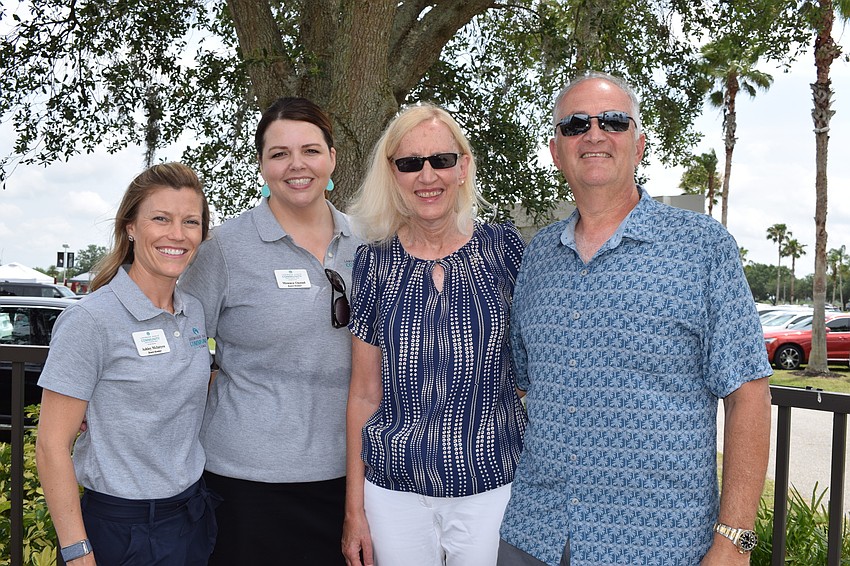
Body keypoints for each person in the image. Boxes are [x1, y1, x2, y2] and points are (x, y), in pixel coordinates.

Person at [497, 71, 773, 566]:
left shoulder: (702, 247)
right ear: (557, 151)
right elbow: (524, 381)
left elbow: (748, 393)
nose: (595, 134)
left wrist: (735, 540)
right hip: (534, 536)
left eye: (614, 122)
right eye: (576, 124)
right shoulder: (537, 255)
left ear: (639, 144)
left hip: (658, 544)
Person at [342, 103, 528, 566]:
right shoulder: (374, 262)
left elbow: (532, 366)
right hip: (393, 491)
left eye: (441, 160)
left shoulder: (505, 250)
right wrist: (354, 509)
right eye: (410, 163)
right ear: (394, 174)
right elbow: (364, 394)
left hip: (492, 484)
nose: (427, 175)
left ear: (463, 167)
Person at [179, 97, 361, 565]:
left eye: (310, 150)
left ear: (332, 158)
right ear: (261, 165)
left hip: (350, 480)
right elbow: (178, 339)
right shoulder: (224, 248)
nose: (296, 165)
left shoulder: (369, 244)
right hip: (244, 485)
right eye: (279, 153)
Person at [35, 162, 217, 565]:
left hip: (191, 516)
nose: (177, 234)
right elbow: (51, 447)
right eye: (160, 218)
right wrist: (77, 552)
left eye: (191, 221)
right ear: (130, 226)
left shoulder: (194, 312)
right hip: (125, 530)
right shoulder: (90, 320)